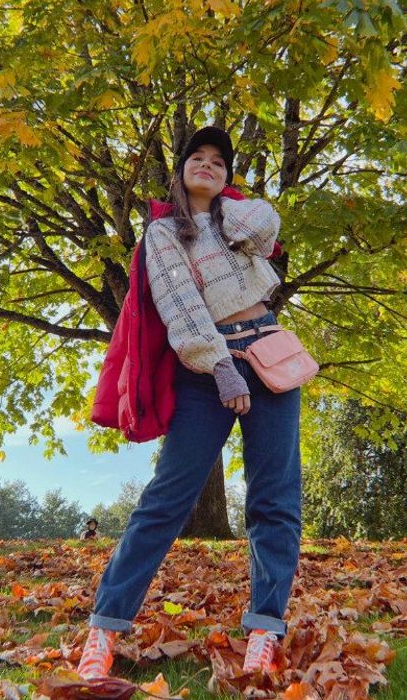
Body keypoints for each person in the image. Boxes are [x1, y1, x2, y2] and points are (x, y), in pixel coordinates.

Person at [75, 126, 301, 680]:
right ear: (178, 170)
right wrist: (220, 366)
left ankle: (265, 630)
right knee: (167, 498)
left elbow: (267, 222)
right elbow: (178, 302)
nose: (208, 165)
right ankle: (104, 628)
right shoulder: (163, 233)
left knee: (275, 501)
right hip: (208, 368)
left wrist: (222, 202)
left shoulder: (236, 220)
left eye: (218, 161)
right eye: (196, 158)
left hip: (270, 352)